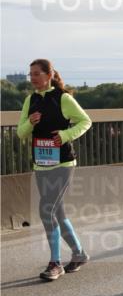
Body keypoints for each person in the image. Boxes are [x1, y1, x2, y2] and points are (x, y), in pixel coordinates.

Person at [16, 59, 91, 280]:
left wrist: (66, 135)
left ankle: (55, 263)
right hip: (41, 164)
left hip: (63, 164)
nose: (32, 78)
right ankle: (79, 254)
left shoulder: (63, 98)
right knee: (57, 212)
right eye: (30, 74)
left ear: (49, 75)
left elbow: (85, 121)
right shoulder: (30, 100)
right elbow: (21, 133)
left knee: (46, 209)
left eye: (37, 74)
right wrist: (30, 122)